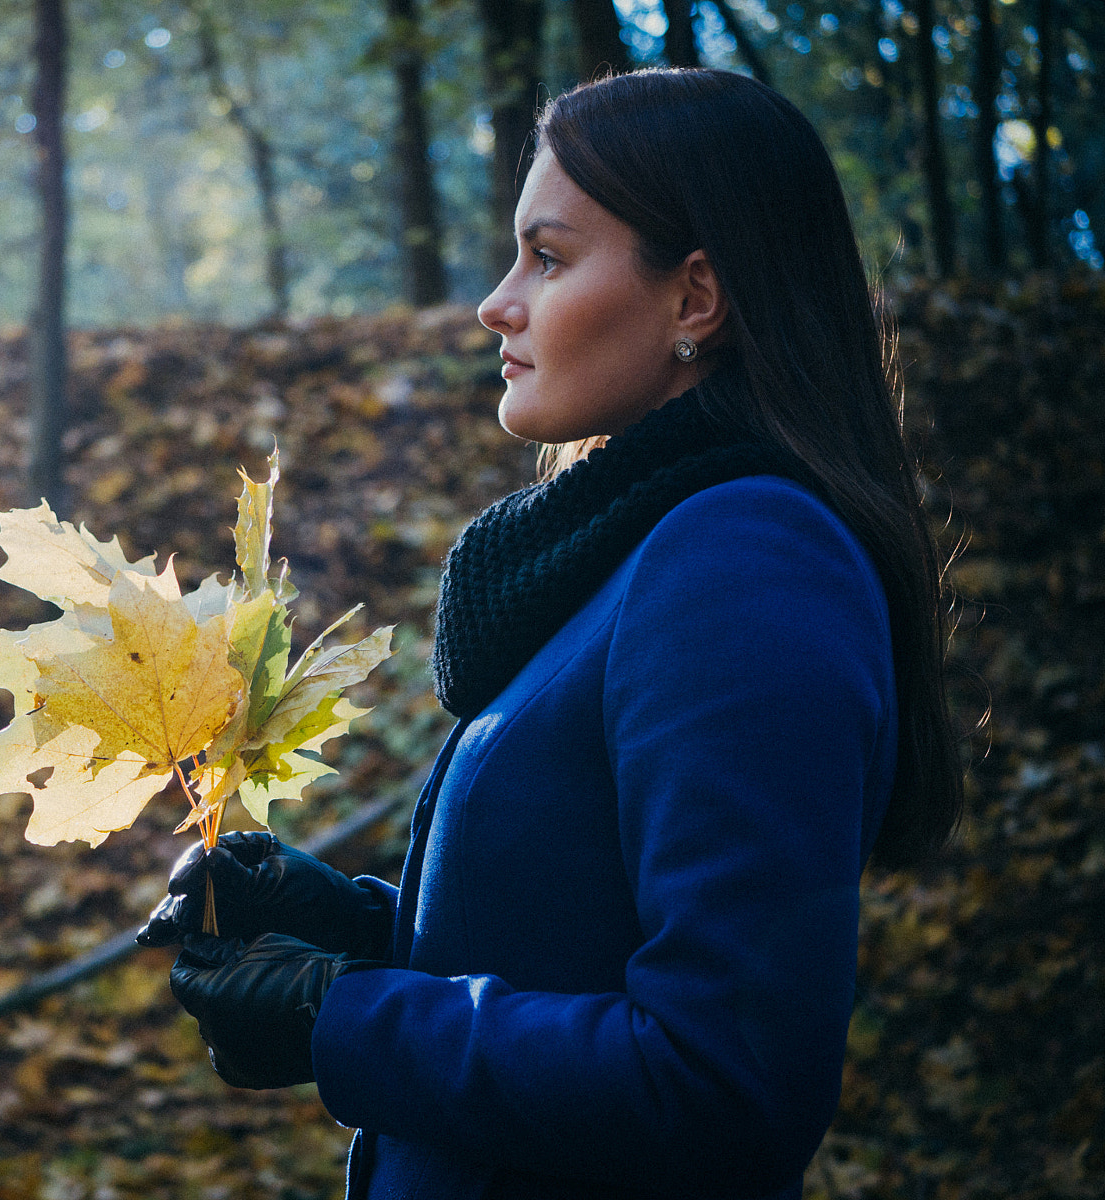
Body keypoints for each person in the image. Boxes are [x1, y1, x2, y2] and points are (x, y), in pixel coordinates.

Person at [137, 67, 962, 1200]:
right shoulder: (627, 551)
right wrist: (342, 930)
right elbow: (562, 949)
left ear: (695, 297)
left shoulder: (746, 561)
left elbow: (726, 1084)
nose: (497, 301)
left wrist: (342, 1020)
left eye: (550, 257)